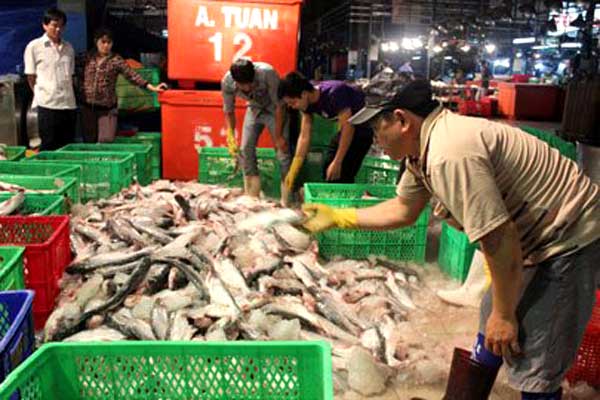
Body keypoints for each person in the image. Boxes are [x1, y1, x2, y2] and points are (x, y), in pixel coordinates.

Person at [302, 75, 599, 400]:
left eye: (377, 128)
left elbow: (500, 239)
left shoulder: (449, 154)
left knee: (535, 353)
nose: (376, 138)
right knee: (492, 325)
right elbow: (403, 209)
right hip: (531, 240)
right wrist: (340, 217)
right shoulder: (422, 151)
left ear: (401, 120)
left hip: (569, 237)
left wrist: (505, 314)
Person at [278, 71, 374, 191]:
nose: (292, 107)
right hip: (347, 130)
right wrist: (293, 169)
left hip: (363, 129)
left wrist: (338, 162)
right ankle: (334, 201)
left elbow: (348, 127)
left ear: (304, 94)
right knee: (328, 169)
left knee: (341, 174)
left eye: (293, 103)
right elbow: (304, 136)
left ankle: (346, 205)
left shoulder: (334, 92)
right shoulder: (307, 102)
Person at [78, 27, 167, 143]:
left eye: (109, 42)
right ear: (96, 42)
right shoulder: (87, 58)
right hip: (87, 107)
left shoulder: (116, 60)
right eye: (103, 42)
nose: (106, 45)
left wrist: (152, 87)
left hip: (107, 108)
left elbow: (132, 75)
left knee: (106, 140)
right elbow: (73, 71)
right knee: (89, 142)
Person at [221, 58, 290, 201]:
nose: (247, 89)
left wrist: (278, 137)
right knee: (246, 148)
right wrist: (230, 135)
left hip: (274, 110)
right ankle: (252, 195)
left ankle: (287, 197)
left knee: (282, 151)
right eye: (242, 86)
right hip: (254, 108)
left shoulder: (267, 73)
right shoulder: (227, 82)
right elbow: (229, 110)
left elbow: (280, 106)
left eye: (250, 84)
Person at [24, 7, 77, 150]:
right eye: (54, 25)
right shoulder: (34, 47)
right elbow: (31, 76)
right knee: (48, 144)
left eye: (61, 26)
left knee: (68, 146)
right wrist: (42, 93)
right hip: (48, 104)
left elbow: (71, 76)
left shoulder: (69, 48)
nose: (58, 29)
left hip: (68, 104)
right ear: (45, 25)